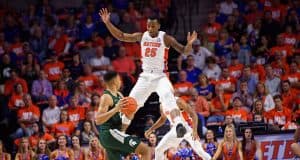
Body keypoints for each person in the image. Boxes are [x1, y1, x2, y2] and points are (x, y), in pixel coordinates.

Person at [99, 8, 198, 138]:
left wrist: (190, 43)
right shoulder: (142, 36)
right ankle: (120, 132)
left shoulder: (166, 38)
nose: (150, 28)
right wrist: (107, 23)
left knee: (169, 101)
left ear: (158, 26)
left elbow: (184, 51)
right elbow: (121, 36)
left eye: (153, 26)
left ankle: (179, 124)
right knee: (130, 103)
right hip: (145, 77)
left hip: (161, 76)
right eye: (148, 26)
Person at [95, 71, 151, 159]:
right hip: (109, 133)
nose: (121, 82)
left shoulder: (119, 95)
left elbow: (127, 117)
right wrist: (115, 109)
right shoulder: (106, 97)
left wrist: (130, 112)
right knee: (145, 150)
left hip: (116, 133)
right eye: (119, 79)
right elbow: (98, 120)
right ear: (115, 81)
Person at [144, 97, 211, 160]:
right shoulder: (162, 105)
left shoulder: (178, 101)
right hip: (175, 130)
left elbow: (193, 114)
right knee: (158, 150)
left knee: (200, 151)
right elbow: (162, 119)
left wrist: (194, 131)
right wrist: (150, 129)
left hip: (188, 127)